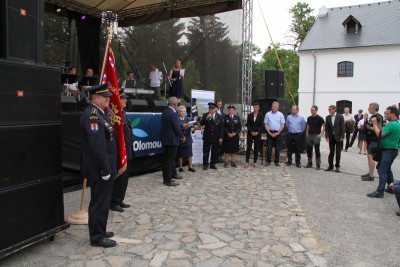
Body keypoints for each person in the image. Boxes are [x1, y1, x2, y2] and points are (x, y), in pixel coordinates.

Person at [80, 82, 117, 248]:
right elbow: (97, 146)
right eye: (105, 97)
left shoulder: (100, 114)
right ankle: (97, 237)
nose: (108, 99)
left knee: (102, 200)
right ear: (95, 98)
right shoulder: (92, 115)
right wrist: (104, 168)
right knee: (99, 202)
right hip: (100, 167)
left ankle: (100, 229)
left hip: (104, 165)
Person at [367, 106, 400, 198]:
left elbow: (379, 134)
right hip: (392, 150)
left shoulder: (392, 124)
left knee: (382, 170)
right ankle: (391, 187)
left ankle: (379, 191)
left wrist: (375, 124)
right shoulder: (397, 124)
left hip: (388, 151)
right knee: (387, 169)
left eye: (387, 114)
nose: (386, 115)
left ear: (393, 114)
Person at [110, 89, 133, 212]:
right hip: (120, 151)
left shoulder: (123, 113)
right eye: (123, 98)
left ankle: (120, 198)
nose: (125, 100)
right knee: (119, 177)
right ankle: (114, 202)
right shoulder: (115, 115)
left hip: (127, 150)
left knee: (125, 177)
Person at [159, 97, 185, 186]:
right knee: (170, 160)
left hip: (165, 139)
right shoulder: (173, 114)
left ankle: (166, 177)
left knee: (166, 159)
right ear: (175, 104)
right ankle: (167, 180)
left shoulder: (164, 112)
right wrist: (182, 136)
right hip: (172, 140)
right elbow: (176, 127)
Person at [361, 103, 384, 181]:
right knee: (369, 156)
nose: (368, 108)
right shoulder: (372, 117)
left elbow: (379, 129)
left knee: (371, 157)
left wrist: (368, 127)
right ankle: (370, 173)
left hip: (374, 140)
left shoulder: (378, 117)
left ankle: (371, 175)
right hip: (370, 139)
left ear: (374, 108)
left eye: (370, 107)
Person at [200, 102, 224, 170]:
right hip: (207, 137)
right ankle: (205, 164)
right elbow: (201, 124)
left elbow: (221, 128)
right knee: (206, 151)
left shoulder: (219, 116)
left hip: (216, 137)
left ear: (215, 109)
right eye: (210, 109)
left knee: (214, 151)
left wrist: (221, 137)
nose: (211, 110)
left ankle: (212, 164)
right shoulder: (205, 115)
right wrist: (206, 118)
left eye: (212, 109)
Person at [264, 101, 285, 166]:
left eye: (275, 107)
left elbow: (282, 125)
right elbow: (265, 124)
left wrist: (278, 132)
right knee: (269, 148)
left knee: (277, 148)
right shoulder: (267, 114)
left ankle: (277, 161)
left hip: (277, 133)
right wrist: (269, 132)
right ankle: (268, 161)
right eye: (273, 106)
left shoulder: (281, 114)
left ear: (278, 107)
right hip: (270, 132)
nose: (273, 108)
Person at [325, 105, 345, 172]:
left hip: (338, 137)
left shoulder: (340, 116)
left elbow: (342, 127)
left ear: (334, 109)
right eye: (329, 109)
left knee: (338, 152)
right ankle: (330, 165)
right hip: (331, 136)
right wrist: (327, 136)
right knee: (331, 152)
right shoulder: (328, 117)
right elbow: (327, 128)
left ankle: (337, 166)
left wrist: (342, 136)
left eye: (330, 109)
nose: (329, 111)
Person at [305, 105, 325, 170]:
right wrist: (307, 133)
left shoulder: (320, 118)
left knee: (317, 150)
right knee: (309, 150)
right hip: (310, 135)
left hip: (316, 135)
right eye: (311, 110)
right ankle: (309, 163)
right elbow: (308, 126)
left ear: (316, 110)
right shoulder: (309, 118)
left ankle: (318, 164)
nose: (312, 111)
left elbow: (324, 126)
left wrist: (321, 134)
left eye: (313, 110)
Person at [176, 105, 195, 172]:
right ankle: (180, 167)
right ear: (178, 112)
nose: (183, 113)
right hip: (180, 138)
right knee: (180, 154)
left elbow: (192, 127)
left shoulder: (188, 119)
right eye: (181, 111)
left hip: (188, 138)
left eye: (184, 111)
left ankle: (190, 167)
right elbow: (177, 128)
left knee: (190, 154)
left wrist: (192, 129)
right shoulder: (176, 119)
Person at [245, 101, 264, 168]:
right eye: (254, 107)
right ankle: (247, 162)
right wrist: (251, 132)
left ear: (258, 108)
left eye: (256, 107)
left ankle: (255, 162)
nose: (255, 108)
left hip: (257, 134)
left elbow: (261, 125)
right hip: (250, 133)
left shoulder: (261, 115)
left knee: (256, 148)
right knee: (248, 148)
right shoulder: (250, 115)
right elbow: (248, 125)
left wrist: (257, 132)